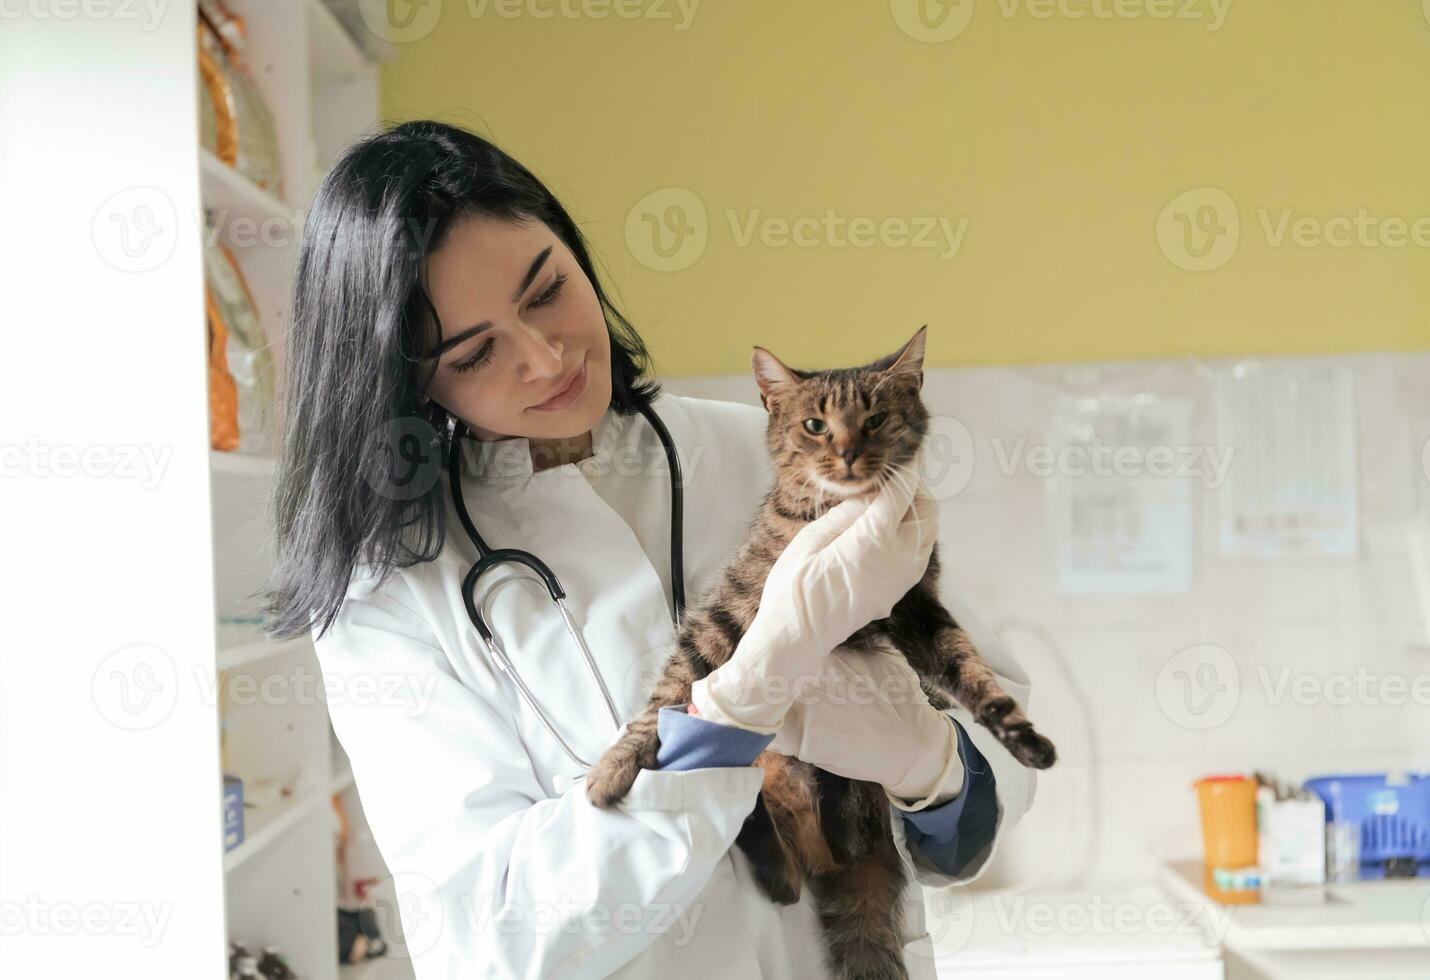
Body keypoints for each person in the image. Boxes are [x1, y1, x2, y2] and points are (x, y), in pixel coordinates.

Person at [260, 120, 1038, 980]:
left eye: (548, 289)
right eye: (476, 351)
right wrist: (732, 714)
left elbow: (994, 778)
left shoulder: (786, 454)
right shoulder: (391, 592)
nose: (545, 355)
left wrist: (930, 764)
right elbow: (490, 940)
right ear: (408, 380)